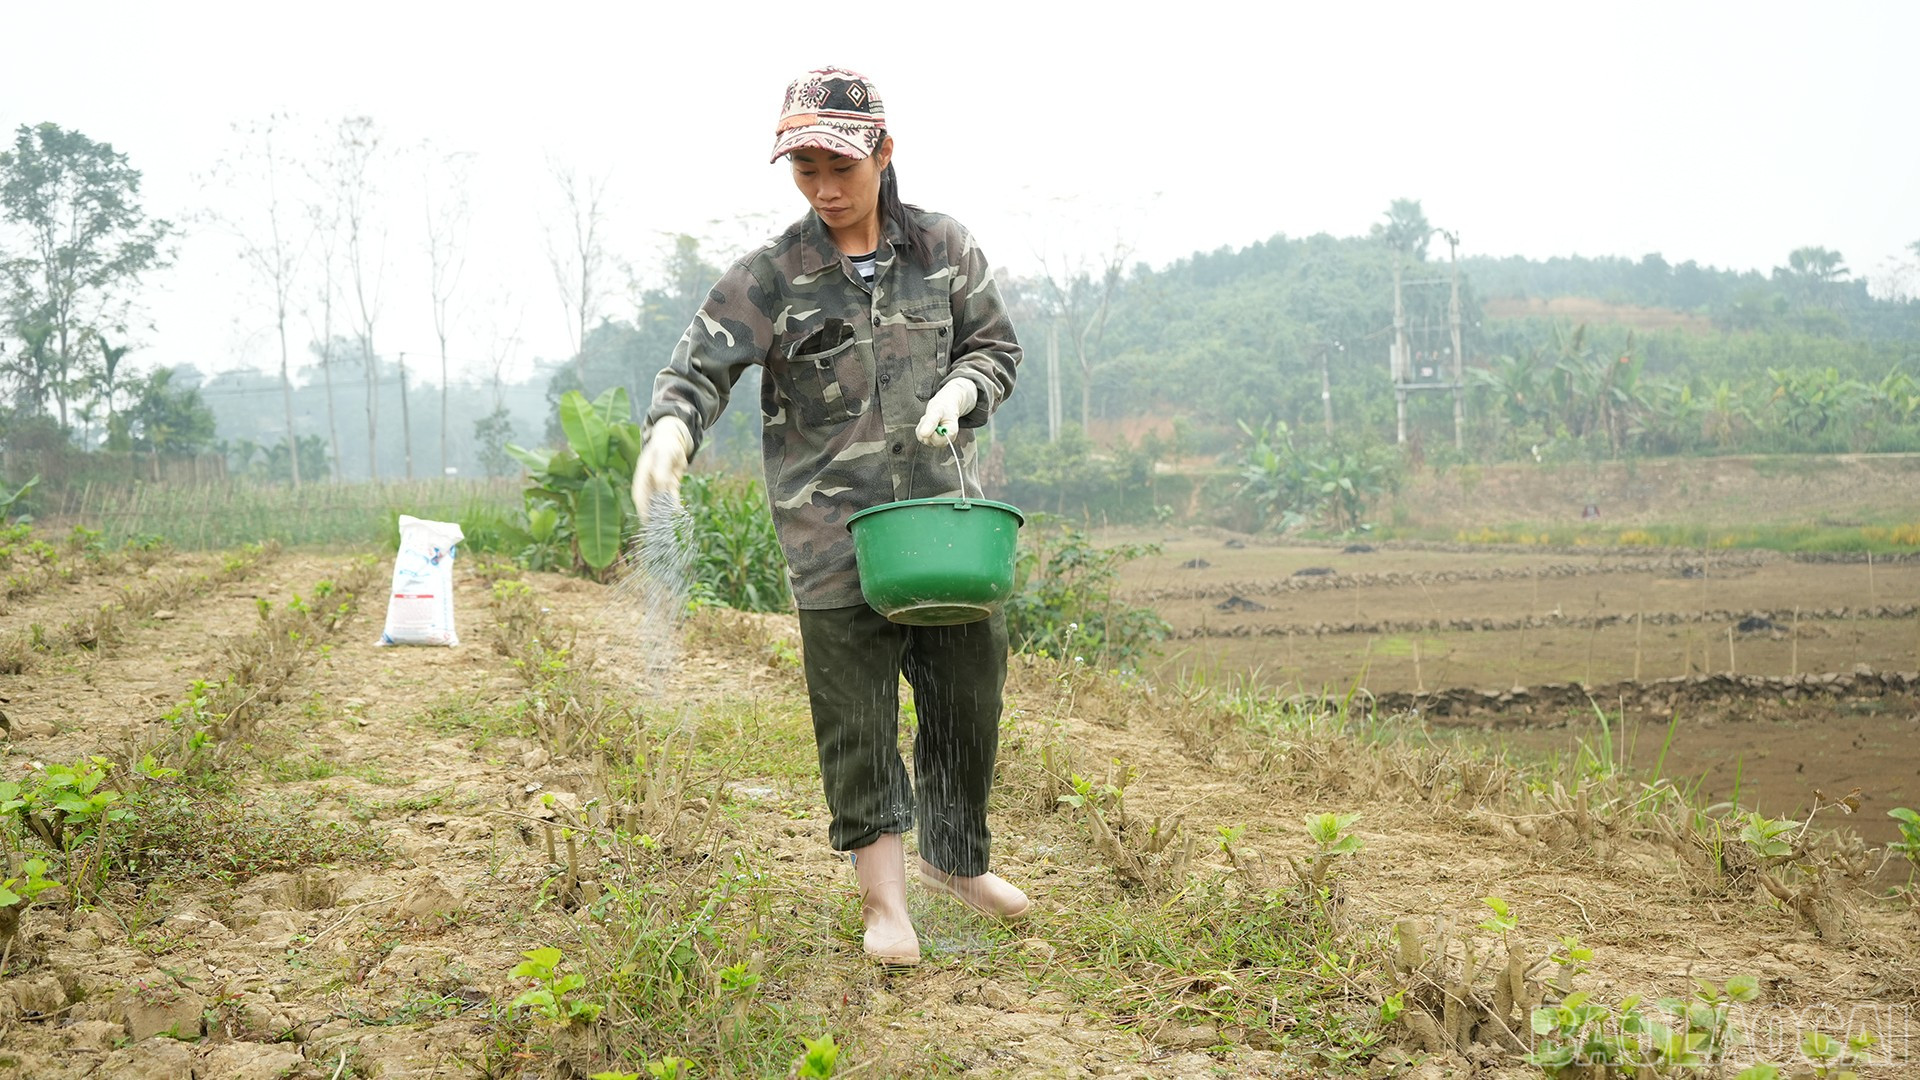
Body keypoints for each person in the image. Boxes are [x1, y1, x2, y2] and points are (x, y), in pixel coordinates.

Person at [630, 66, 1026, 966]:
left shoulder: (945, 249)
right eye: (806, 170)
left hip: (940, 523)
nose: (825, 188)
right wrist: (671, 431)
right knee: (856, 722)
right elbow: (697, 368)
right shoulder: (772, 275)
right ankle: (885, 903)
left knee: (967, 697)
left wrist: (966, 387)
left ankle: (956, 861)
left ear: (884, 153)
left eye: (841, 167)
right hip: (831, 536)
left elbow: (995, 346)